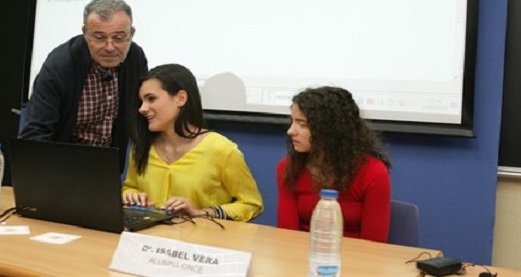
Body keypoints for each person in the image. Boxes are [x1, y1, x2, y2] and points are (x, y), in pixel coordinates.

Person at [19, 0, 147, 170]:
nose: (110, 47)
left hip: (109, 165)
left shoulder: (135, 58)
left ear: (131, 33)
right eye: (100, 37)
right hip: (61, 165)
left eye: (118, 38)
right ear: (85, 33)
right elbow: (34, 133)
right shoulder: (60, 66)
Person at [122, 63, 263, 222]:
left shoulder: (222, 150)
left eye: (151, 99)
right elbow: (129, 186)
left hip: (199, 241)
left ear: (180, 99)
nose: (142, 108)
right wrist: (130, 196)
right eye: (142, 101)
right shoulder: (141, 146)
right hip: (145, 241)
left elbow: (251, 204)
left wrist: (202, 212)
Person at [276, 86, 391, 242]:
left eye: (302, 124)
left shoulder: (373, 172)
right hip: (303, 257)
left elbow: (374, 245)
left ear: (329, 130)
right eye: (293, 121)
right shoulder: (288, 168)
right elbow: (287, 237)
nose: (291, 131)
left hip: (357, 260)